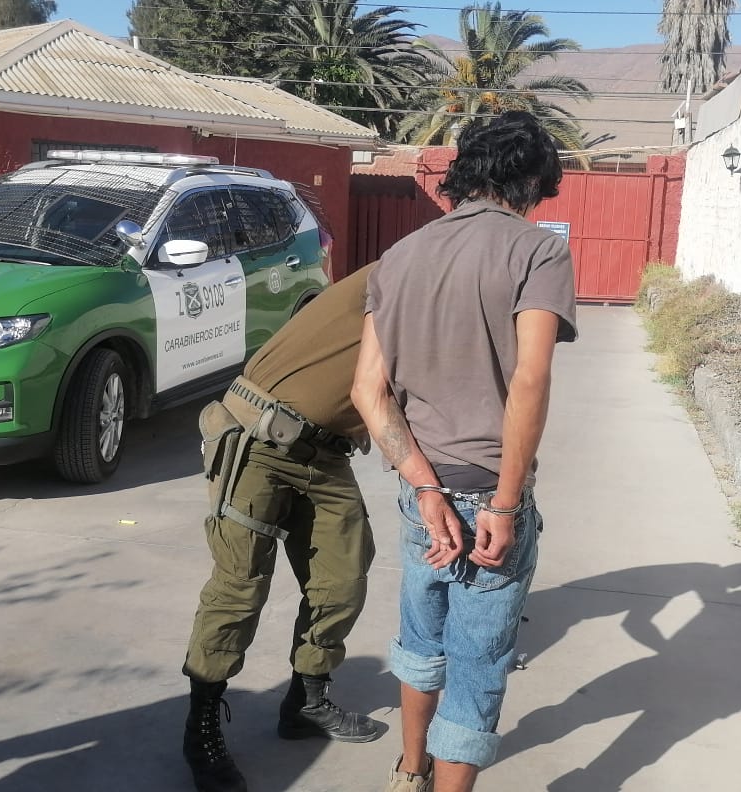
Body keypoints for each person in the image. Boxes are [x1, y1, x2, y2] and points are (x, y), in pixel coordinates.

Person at [351, 112, 577, 792]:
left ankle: (409, 770)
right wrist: (504, 505)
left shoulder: (399, 256)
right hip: (489, 495)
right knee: (477, 667)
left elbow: (367, 390)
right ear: (533, 180)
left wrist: (424, 487)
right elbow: (530, 379)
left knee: (422, 639)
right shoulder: (537, 252)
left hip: (421, 494)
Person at [182, 264, 382, 792]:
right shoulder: (410, 271)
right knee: (239, 585)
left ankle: (306, 702)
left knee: (343, 578)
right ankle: (201, 729)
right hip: (258, 436)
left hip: (328, 453)